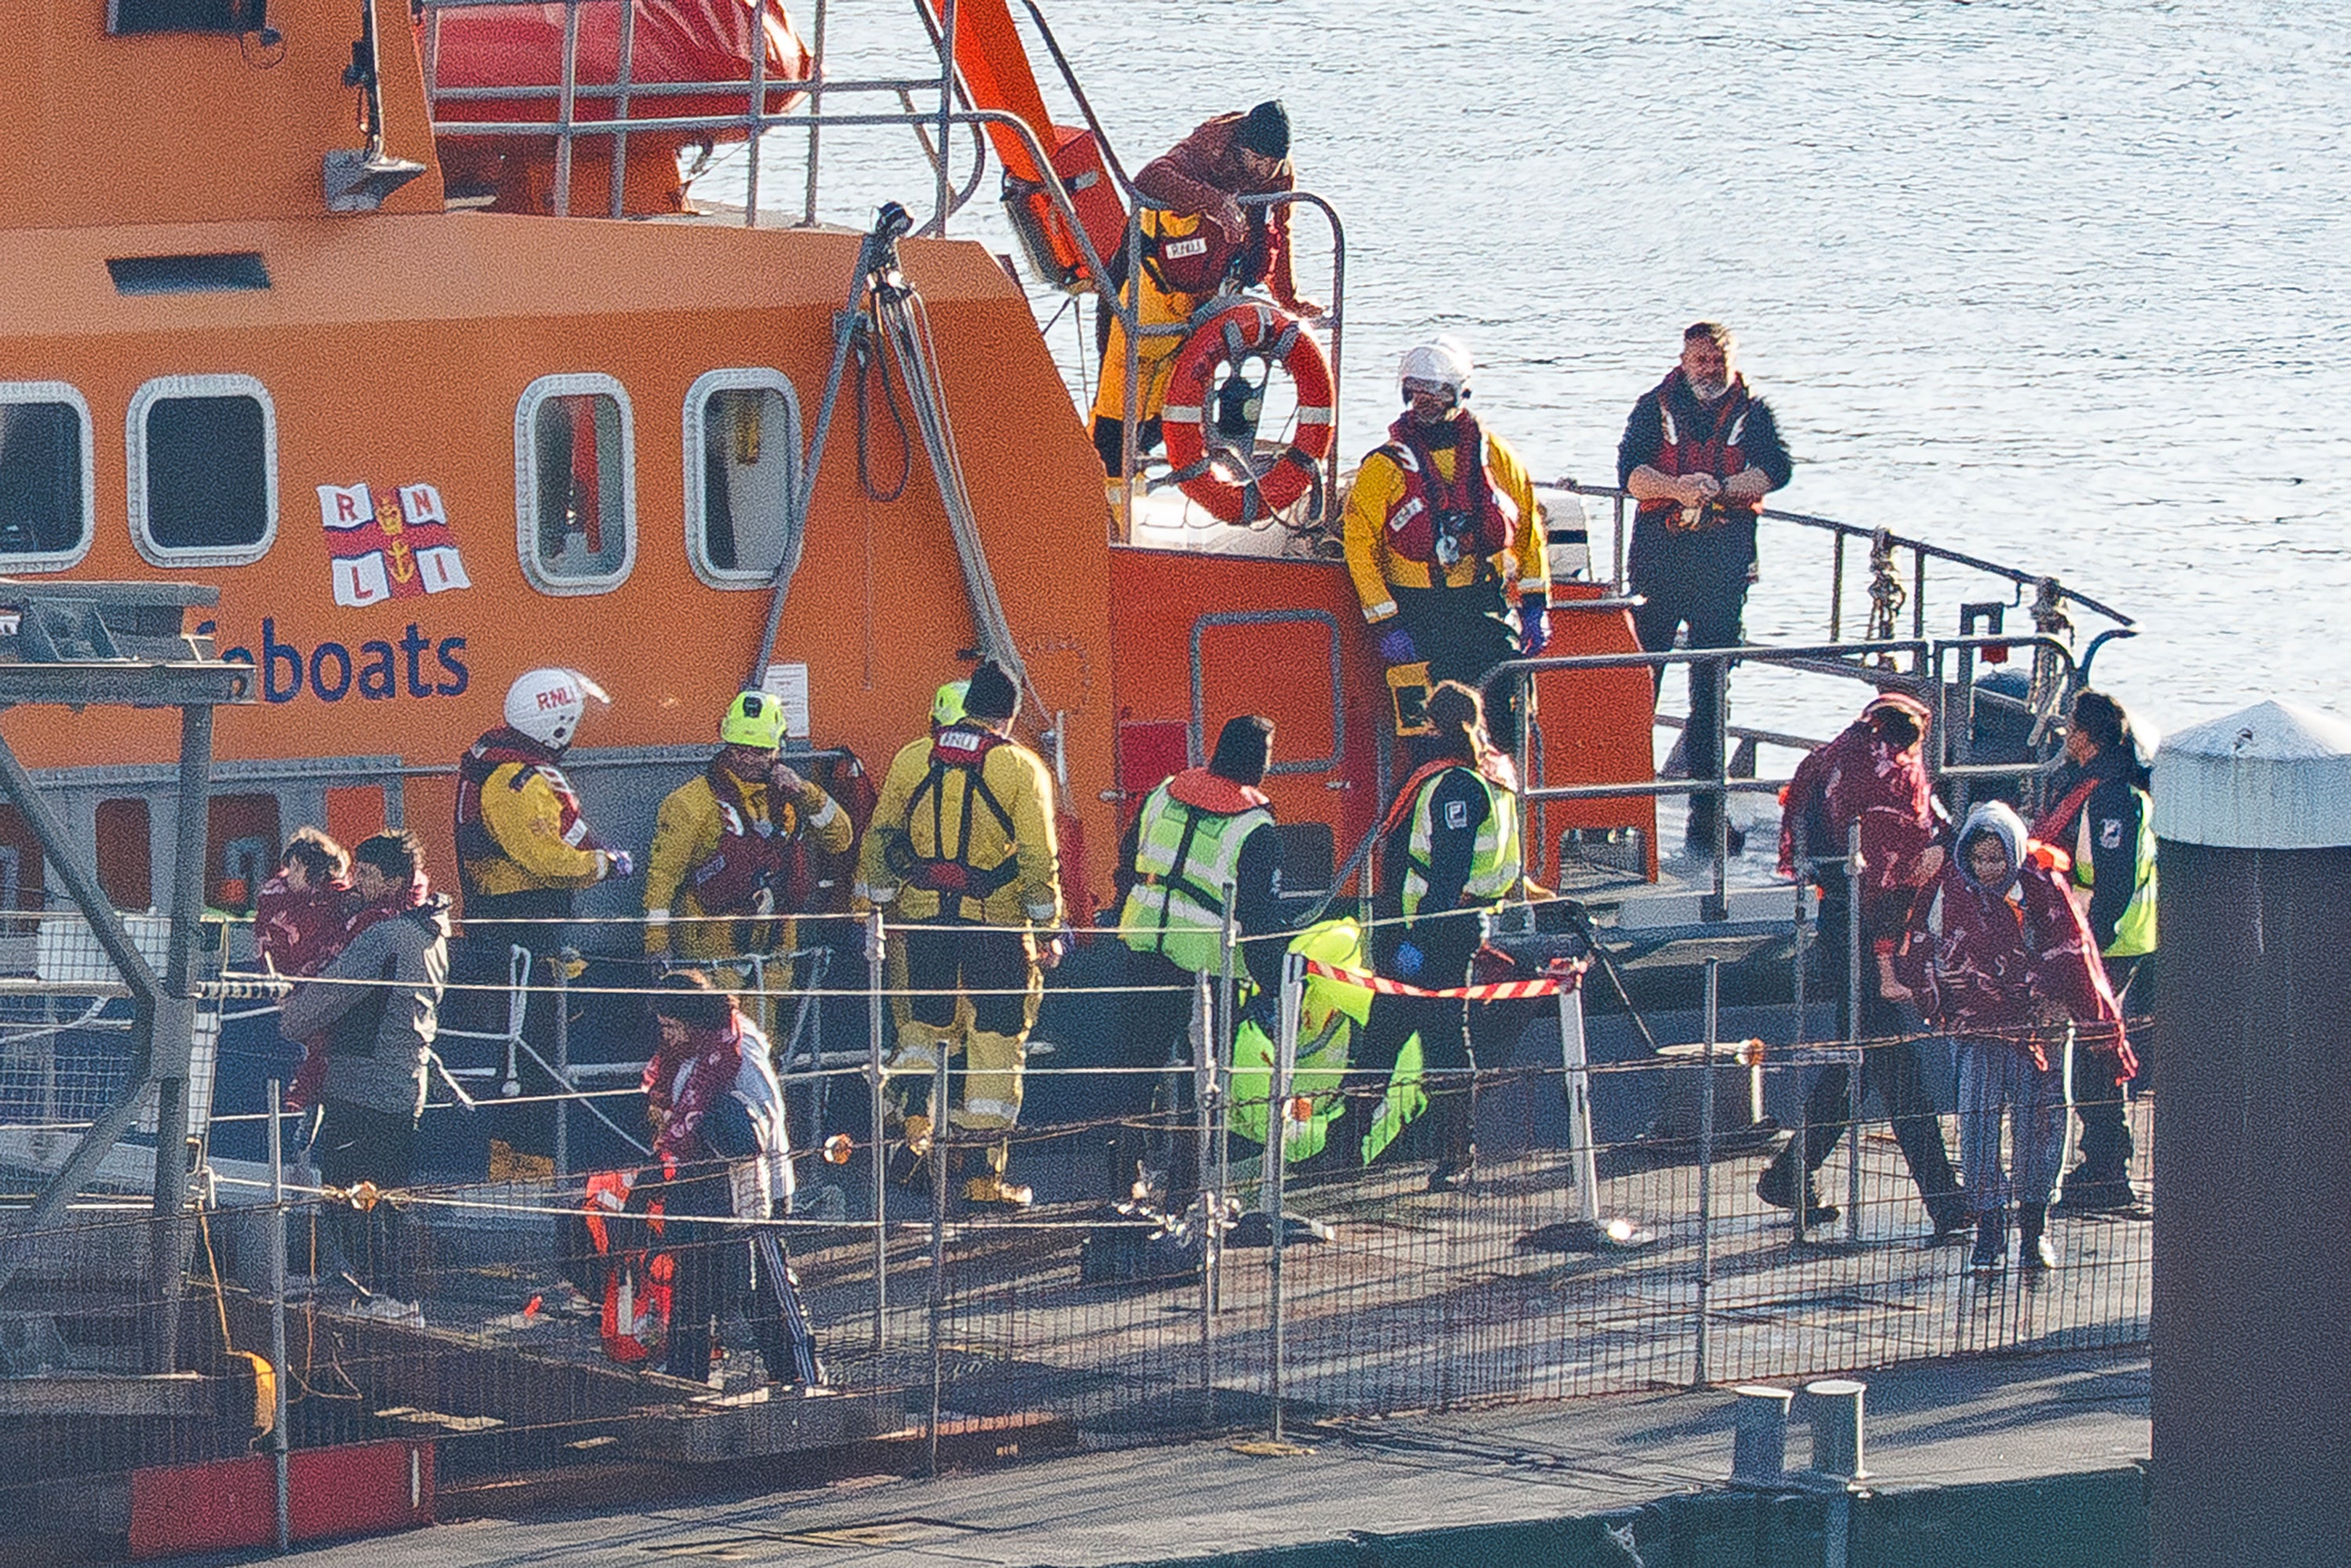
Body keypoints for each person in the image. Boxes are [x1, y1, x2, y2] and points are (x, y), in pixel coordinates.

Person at [854, 660, 1066, 1208]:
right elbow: (1040, 859)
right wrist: (1047, 929)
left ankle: (911, 1142)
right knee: (995, 1048)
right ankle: (978, 1178)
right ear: (1011, 715)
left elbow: (879, 839)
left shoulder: (912, 757)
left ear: (970, 703)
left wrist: (879, 908)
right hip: (994, 928)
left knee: (925, 1033)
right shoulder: (1021, 767)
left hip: (924, 923)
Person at [1758, 693, 1966, 1235]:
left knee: (1865, 1060)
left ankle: (1790, 1171)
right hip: (1871, 931)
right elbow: (1902, 858)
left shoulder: (1828, 762)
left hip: (1839, 923)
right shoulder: (1889, 777)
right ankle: (1947, 1203)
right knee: (1897, 1068)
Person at [1893, 802, 2130, 1275]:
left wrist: (2084, 1019)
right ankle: (1988, 1230)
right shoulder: (1947, 889)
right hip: (1978, 1028)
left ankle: (2034, 1227)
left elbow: (2075, 956)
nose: (1987, 870)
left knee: (2040, 1128)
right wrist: (1941, 1001)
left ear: (2015, 855)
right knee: (1977, 1126)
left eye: (1997, 860)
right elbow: (1919, 946)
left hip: (2040, 1029)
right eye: (1979, 860)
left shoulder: (2043, 889)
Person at [1617, 322, 1793, 857]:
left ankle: (1707, 816)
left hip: (1722, 570)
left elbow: (1777, 470)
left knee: (1711, 695)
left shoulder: (1754, 412)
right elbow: (1630, 473)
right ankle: (1619, 809)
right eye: (1701, 361)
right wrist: (1677, 488)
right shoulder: (1654, 407)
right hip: (1658, 568)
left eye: (1718, 360)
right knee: (1638, 686)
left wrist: (1721, 490)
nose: (1710, 370)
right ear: (1684, 361)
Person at [453, 667, 632, 1161]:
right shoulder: (518, 781)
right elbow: (546, 859)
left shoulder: (501, 764)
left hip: (527, 936)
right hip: (522, 936)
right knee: (526, 1061)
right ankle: (521, 1164)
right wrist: (605, 863)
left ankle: (525, 1158)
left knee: (530, 1058)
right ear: (557, 725)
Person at [1350, 681, 1522, 1191]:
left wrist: (1417, 941)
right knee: (1384, 1035)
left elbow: (1447, 872)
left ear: (1434, 725)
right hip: (1443, 924)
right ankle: (1344, 1148)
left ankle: (1456, 1153)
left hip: (1436, 930)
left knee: (1444, 1042)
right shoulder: (1491, 772)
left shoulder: (1457, 785)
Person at [1110, 714, 1287, 1208]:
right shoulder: (1256, 828)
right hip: (1206, 967)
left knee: (1134, 1071)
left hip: (1144, 947)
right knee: (1202, 1082)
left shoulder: (1164, 793)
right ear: (1259, 762)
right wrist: (1273, 986)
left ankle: (1123, 1186)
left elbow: (1128, 862)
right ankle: (1188, 1194)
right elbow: (1260, 919)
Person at [1090, 100, 1319, 478]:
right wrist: (1213, 203)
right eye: (1257, 160)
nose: (1263, 171)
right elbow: (1149, 178)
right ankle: (1102, 488)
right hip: (1143, 278)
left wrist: (1288, 296)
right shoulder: (1210, 146)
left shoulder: (1280, 173)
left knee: (1166, 407)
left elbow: (1280, 232)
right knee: (1116, 399)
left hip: (1201, 295)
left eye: (1272, 163)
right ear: (1241, 148)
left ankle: (1139, 476)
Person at [1342, 336, 1549, 754]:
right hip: (1416, 615)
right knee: (1424, 736)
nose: (1424, 401)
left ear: (1459, 391)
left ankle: (1506, 802)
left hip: (1481, 608)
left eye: (1434, 391)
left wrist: (1536, 607)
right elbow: (1359, 546)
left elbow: (1529, 530)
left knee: (1509, 719)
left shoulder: (1496, 457)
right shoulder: (1384, 467)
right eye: (1415, 391)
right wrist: (1386, 622)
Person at [277, 830, 451, 1320]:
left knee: (344, 1195)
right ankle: (392, 1297)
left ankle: (390, 1297)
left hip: (363, 1086)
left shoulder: (383, 936)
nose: (357, 884)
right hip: (404, 1084)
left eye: (369, 875)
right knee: (388, 1198)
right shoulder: (431, 933)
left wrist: (291, 1014)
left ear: (395, 880)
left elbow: (327, 998)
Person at [643, 971, 820, 1389]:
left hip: (752, 1193)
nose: (665, 1036)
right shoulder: (683, 1055)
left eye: (671, 1026)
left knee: (762, 1293)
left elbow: (766, 1114)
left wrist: (707, 1125)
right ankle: (687, 1381)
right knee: (691, 1292)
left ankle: (798, 1377)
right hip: (701, 1190)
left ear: (693, 1020)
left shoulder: (740, 1048)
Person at [643, 690, 853, 1025]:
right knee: (714, 1037)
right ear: (726, 744)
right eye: (740, 749)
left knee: (767, 1043)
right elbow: (662, 876)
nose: (748, 760)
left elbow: (840, 839)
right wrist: (657, 941)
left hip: (776, 946)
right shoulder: (690, 803)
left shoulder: (791, 799)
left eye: (759, 752)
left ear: (777, 749)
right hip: (713, 947)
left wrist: (806, 793)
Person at [2033, 689, 2155, 1211]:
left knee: (2095, 1051)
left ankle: (2108, 1166)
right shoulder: (2107, 785)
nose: (2065, 733)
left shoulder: (2108, 796)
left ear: (2090, 736)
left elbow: (2113, 882)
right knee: (2093, 1049)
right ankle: (2104, 1162)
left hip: (2107, 939)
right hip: (2102, 936)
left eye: (2071, 725)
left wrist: (2088, 943)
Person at [255, 826, 353, 1114]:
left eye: (294, 868)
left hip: (327, 985)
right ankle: (310, 1101)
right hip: (290, 987)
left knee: (322, 1042)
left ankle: (306, 1098)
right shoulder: (277, 898)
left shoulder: (341, 901)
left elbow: (338, 944)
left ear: (308, 868)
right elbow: (267, 943)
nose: (287, 874)